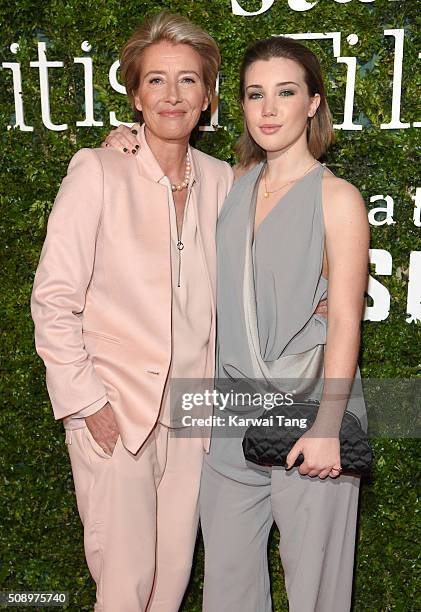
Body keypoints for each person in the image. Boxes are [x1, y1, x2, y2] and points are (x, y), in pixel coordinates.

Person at [31, 12, 233, 612]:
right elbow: (54, 298)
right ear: (136, 95)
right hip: (115, 412)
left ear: (208, 97)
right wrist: (88, 403)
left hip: (193, 421)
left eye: (188, 81)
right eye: (157, 81)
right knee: (122, 591)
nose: (173, 96)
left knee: (169, 585)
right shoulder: (97, 171)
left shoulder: (224, 181)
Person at [198, 36, 370, 612]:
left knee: (317, 593)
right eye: (255, 94)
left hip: (311, 415)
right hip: (230, 422)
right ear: (240, 106)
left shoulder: (337, 198)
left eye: (286, 92)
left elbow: (346, 319)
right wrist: (124, 141)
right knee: (227, 590)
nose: (269, 109)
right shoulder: (231, 186)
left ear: (314, 103)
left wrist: (328, 426)